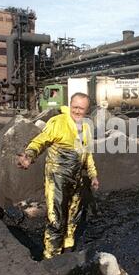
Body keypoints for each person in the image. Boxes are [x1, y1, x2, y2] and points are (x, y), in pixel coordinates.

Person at [17, 92, 99, 259]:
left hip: (76, 178)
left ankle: (67, 247)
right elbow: (40, 141)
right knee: (56, 216)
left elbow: (87, 155)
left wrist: (93, 175)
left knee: (73, 213)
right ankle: (51, 256)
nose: (77, 111)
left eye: (81, 109)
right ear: (70, 105)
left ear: (87, 110)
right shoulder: (57, 122)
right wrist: (30, 154)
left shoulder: (86, 127)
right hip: (58, 177)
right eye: (74, 107)